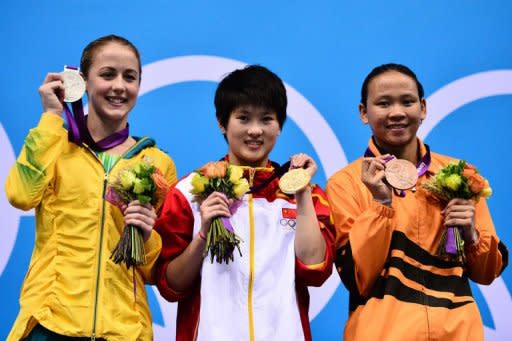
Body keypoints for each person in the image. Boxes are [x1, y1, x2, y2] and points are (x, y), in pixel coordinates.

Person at [5, 34, 177, 340]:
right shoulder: (55, 146)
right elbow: (20, 195)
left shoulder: (157, 164)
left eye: (130, 76)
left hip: (124, 330)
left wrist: (147, 236)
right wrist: (50, 117)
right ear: (83, 82)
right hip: (50, 324)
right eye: (107, 74)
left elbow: (153, 271)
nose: (119, 86)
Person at [326, 63, 508, 340]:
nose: (397, 112)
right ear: (364, 112)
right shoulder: (348, 183)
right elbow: (357, 279)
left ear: (422, 108)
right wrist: (381, 205)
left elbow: (488, 272)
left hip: (459, 333)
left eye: (407, 102)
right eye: (384, 103)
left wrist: (471, 234)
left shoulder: (461, 175)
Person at [154, 65, 335, 341]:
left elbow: (316, 270)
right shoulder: (189, 191)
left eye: (266, 119)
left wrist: (302, 194)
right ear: (222, 122)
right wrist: (203, 236)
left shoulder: (303, 193)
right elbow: (170, 285)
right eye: (243, 118)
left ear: (280, 124)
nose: (255, 130)